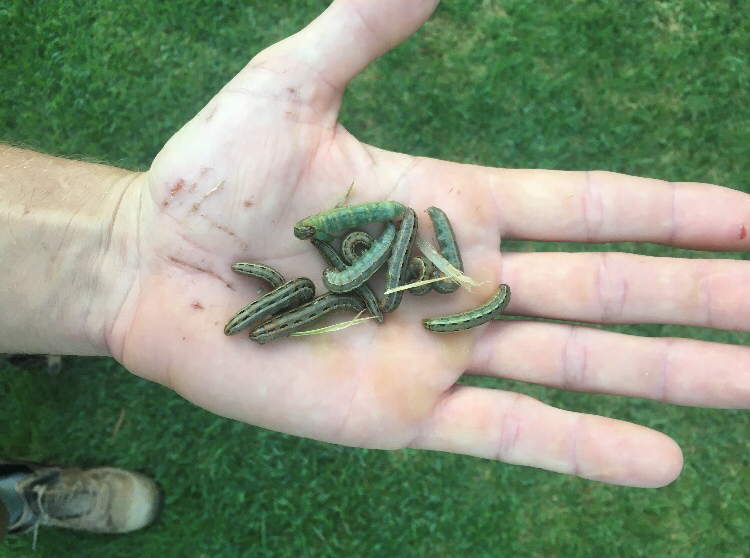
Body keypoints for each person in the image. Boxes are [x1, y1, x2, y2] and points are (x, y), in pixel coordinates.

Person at [2, 0, 750, 540]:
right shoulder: (364, 268)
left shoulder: (372, 269)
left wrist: (118, 251)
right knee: (326, 289)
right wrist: (123, 251)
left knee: (332, 288)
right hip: (355, 277)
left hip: (355, 277)